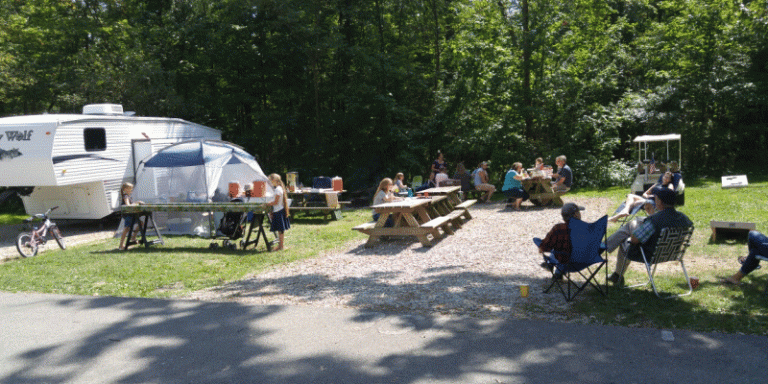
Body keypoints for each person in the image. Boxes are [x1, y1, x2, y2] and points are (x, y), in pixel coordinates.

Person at [607, 187, 692, 286]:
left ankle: (613, 266)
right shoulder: (683, 218)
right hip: (671, 253)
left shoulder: (655, 220)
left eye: (655, 198)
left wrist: (648, 220)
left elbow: (635, 240)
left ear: (659, 202)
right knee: (635, 223)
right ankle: (606, 250)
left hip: (649, 254)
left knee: (626, 239)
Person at [608, 171, 675, 222]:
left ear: (670, 180)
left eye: (667, 177)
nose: (665, 178)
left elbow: (668, 194)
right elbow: (645, 194)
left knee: (636, 202)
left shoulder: (670, 185)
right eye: (664, 176)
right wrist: (648, 196)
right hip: (647, 199)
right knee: (630, 195)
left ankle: (618, 216)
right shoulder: (657, 184)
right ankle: (625, 211)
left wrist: (654, 196)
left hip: (656, 202)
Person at [267, 173, 291, 252]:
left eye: (270, 180)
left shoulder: (278, 189)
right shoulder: (279, 188)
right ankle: (280, 246)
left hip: (279, 211)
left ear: (274, 180)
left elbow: (276, 202)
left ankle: (280, 246)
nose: (270, 182)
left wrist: (268, 203)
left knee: (280, 230)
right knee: (280, 230)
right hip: (279, 210)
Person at [118, 182, 144, 250]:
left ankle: (133, 237)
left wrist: (137, 202)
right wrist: (136, 203)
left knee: (141, 223)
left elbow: (131, 204)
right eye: (130, 189)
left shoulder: (129, 196)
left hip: (132, 214)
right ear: (125, 189)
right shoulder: (125, 196)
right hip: (128, 215)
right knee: (126, 229)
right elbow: (128, 205)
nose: (132, 190)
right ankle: (121, 245)